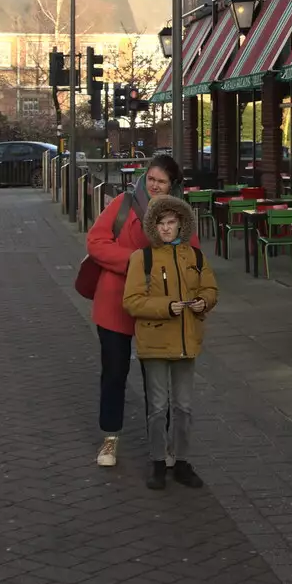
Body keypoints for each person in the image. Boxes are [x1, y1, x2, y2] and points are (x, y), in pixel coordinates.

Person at [83, 153, 198, 468]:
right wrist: (136, 261)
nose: (155, 186)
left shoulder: (179, 213)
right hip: (115, 304)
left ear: (173, 184)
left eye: (162, 181)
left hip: (158, 309)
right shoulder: (123, 203)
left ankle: (162, 446)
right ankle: (110, 438)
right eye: (151, 179)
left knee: (157, 380)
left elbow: (194, 256)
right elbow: (95, 241)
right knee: (114, 373)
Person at [123, 193, 215, 490]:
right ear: (153, 226)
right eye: (161, 223)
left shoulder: (196, 257)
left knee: (184, 406)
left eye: (171, 222)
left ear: (181, 225)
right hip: (154, 343)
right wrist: (166, 306)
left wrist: (203, 301)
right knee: (158, 407)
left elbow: (211, 288)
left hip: (186, 341)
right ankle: (158, 461)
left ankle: (183, 460)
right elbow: (132, 301)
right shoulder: (142, 258)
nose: (166, 228)